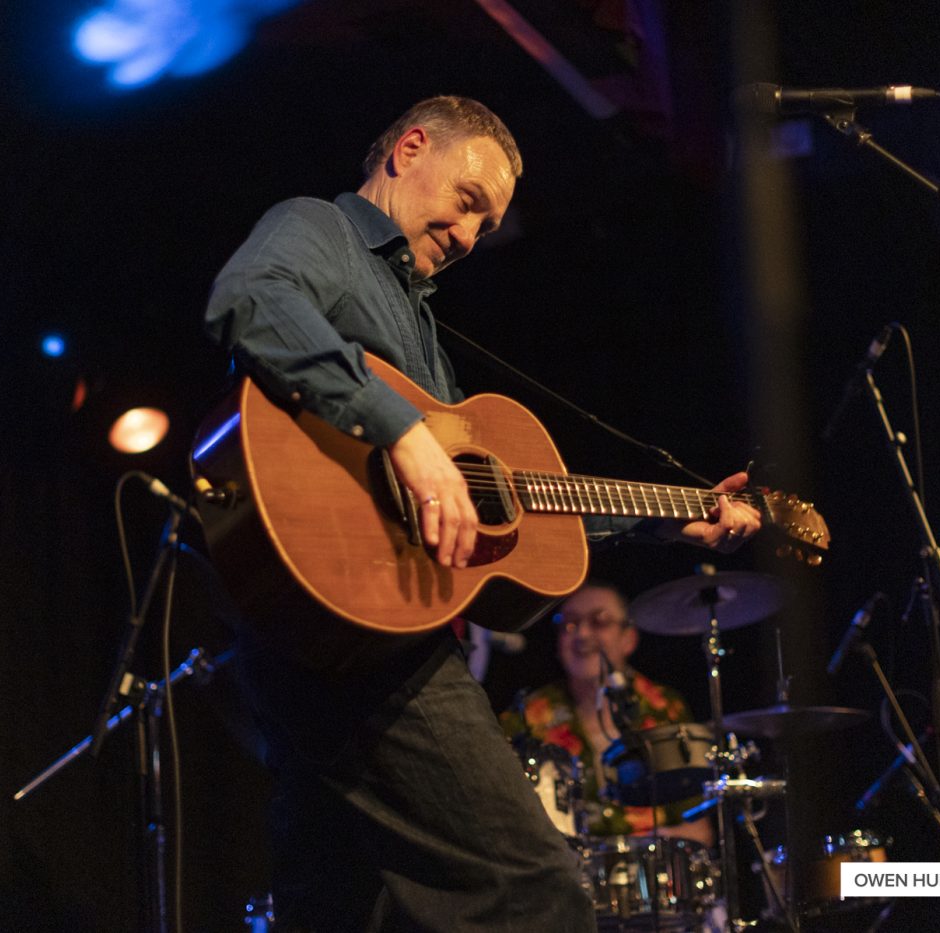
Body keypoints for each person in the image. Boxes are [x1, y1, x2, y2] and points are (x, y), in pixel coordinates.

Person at [202, 96, 761, 932]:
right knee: (536, 893)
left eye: (487, 225)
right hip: (367, 645)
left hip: (346, 634)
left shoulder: (420, 330)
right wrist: (401, 432)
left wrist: (670, 517)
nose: (469, 236)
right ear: (410, 149)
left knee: (340, 913)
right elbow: (249, 296)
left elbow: (514, 505)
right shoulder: (321, 230)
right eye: (467, 202)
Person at [501, 582, 714, 844]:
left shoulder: (664, 707)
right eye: (570, 624)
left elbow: (699, 831)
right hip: (560, 865)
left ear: (629, 638)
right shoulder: (526, 717)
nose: (583, 634)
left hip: (652, 862)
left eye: (599, 622)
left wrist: (649, 847)